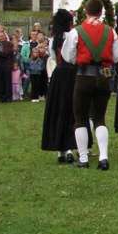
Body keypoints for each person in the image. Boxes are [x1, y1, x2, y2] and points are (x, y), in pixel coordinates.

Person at [62, 0, 118, 170]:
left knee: (80, 118)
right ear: (101, 11)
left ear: (86, 11)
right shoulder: (110, 31)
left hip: (84, 75)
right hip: (104, 74)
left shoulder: (77, 31)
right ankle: (103, 158)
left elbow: (68, 56)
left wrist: (81, 60)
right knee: (100, 117)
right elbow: (117, 56)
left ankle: (83, 159)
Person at [41, 10, 79, 164]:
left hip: (58, 75)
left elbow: (52, 57)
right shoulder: (72, 36)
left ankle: (59, 150)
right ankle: (69, 148)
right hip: (71, 74)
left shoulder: (53, 39)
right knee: (70, 109)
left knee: (58, 109)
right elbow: (73, 57)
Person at [0, 33, 15, 102]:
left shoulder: (9, 44)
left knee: (7, 81)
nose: (1, 37)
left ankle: (8, 97)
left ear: (5, 36)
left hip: (7, 65)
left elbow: (7, 53)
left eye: (2, 36)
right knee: (0, 81)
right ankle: (2, 96)